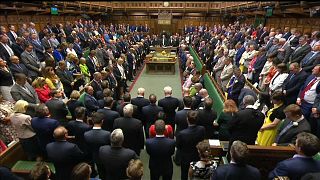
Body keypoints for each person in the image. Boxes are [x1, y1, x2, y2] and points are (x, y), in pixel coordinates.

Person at [176, 110, 205, 180]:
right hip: (197, 156)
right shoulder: (202, 129)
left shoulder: (181, 133)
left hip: (185, 157)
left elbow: (178, 146)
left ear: (187, 119)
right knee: (196, 174)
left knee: (184, 174)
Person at [84, 112, 110, 180]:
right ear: (102, 121)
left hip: (95, 157)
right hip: (106, 157)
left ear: (92, 121)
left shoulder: (86, 134)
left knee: (101, 173)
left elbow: (87, 148)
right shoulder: (107, 134)